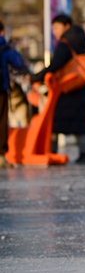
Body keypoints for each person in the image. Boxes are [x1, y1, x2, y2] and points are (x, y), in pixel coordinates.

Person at [30, 15, 85, 164]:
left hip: (66, 88)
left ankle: (51, 152)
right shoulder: (83, 40)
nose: (54, 32)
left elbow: (55, 64)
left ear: (66, 26)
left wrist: (36, 77)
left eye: (56, 28)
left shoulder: (65, 43)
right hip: (82, 86)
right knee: (81, 125)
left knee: (56, 123)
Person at [1, 20, 27, 168]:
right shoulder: (4, 47)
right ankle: (0, 156)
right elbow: (19, 63)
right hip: (1, 90)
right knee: (1, 122)